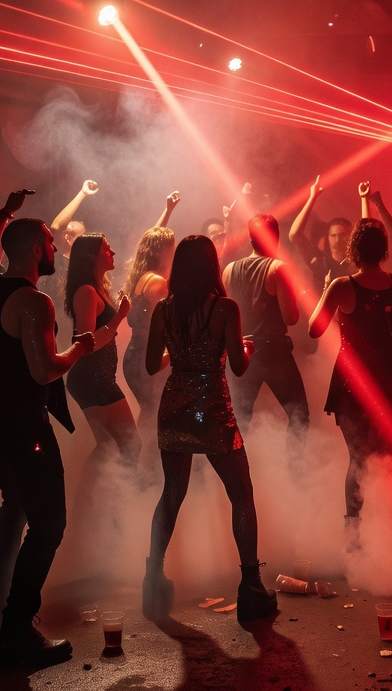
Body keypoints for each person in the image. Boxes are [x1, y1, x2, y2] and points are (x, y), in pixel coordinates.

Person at [0, 190, 93, 667]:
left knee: (16, 503)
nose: (57, 249)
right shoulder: (33, 300)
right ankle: (16, 629)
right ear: (37, 251)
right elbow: (44, 371)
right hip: (21, 423)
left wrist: (4, 213)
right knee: (49, 523)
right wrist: (81, 347)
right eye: (50, 242)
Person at [142, 235, 277, 625]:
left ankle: (152, 580)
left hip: (175, 407)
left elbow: (153, 365)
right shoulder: (225, 308)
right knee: (241, 493)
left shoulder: (163, 310)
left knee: (172, 492)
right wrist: (247, 349)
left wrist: (180, 353)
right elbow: (238, 367)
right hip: (212, 409)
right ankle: (251, 588)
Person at [310, 219, 392, 550]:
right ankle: (391, 534)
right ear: (384, 250)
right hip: (388, 376)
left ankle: (355, 542)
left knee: (359, 458)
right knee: (388, 455)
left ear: (354, 250)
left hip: (353, 380)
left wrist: (327, 292)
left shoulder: (343, 285)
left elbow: (315, 329)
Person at [222, 214, 310, 473]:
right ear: (276, 238)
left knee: (239, 418)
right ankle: (294, 471)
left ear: (250, 239)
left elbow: (225, 313)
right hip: (273, 353)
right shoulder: (278, 268)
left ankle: (233, 473)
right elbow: (290, 317)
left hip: (241, 351)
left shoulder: (229, 270)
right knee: (298, 414)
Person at [64, 234, 138, 470]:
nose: (113, 252)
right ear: (91, 257)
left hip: (98, 377)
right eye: (107, 249)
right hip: (92, 378)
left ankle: (93, 501)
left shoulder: (97, 288)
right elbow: (87, 344)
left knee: (107, 446)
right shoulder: (86, 291)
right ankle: (119, 498)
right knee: (131, 444)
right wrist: (120, 316)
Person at [122, 227, 176, 433]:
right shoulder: (158, 283)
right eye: (172, 248)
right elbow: (162, 326)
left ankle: (139, 461)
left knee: (149, 412)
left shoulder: (141, 278)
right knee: (155, 415)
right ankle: (148, 462)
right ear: (163, 252)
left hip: (134, 355)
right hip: (148, 356)